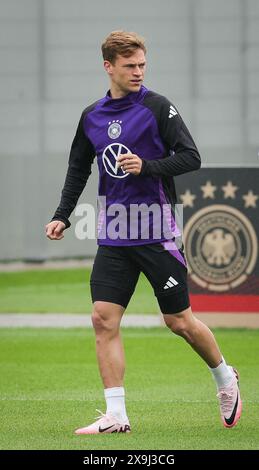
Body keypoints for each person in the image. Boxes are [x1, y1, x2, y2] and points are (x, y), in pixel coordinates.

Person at [45, 31, 242, 434]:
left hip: (156, 232)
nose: (138, 72)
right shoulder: (91, 116)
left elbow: (190, 156)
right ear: (108, 67)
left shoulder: (157, 107)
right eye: (130, 66)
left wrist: (147, 166)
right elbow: (78, 168)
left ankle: (225, 377)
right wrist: (62, 215)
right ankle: (116, 414)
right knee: (103, 318)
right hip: (114, 234)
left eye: (142, 65)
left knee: (179, 322)